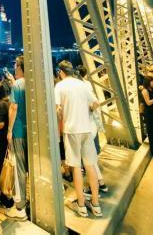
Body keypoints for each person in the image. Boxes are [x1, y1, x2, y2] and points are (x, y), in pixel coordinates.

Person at [54, 60, 102, 217]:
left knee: (75, 167)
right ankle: (96, 204)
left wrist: (62, 114)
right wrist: (88, 110)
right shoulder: (82, 84)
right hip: (86, 129)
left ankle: (81, 205)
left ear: (61, 72)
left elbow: (57, 109)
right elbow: (96, 103)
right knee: (90, 165)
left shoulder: (60, 86)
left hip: (71, 130)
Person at [6, 55, 29, 220]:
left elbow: (13, 108)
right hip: (31, 132)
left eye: (15, 65)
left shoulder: (17, 85)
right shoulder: (31, 83)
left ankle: (20, 207)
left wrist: (9, 130)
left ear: (20, 67)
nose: (14, 68)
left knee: (19, 168)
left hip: (18, 131)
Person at [0, 81, 12, 207]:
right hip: (6, 140)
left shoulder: (1, 105)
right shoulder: (7, 102)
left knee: (1, 165)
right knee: (4, 165)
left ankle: (4, 195)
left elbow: (1, 124)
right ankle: (5, 192)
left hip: (2, 141)